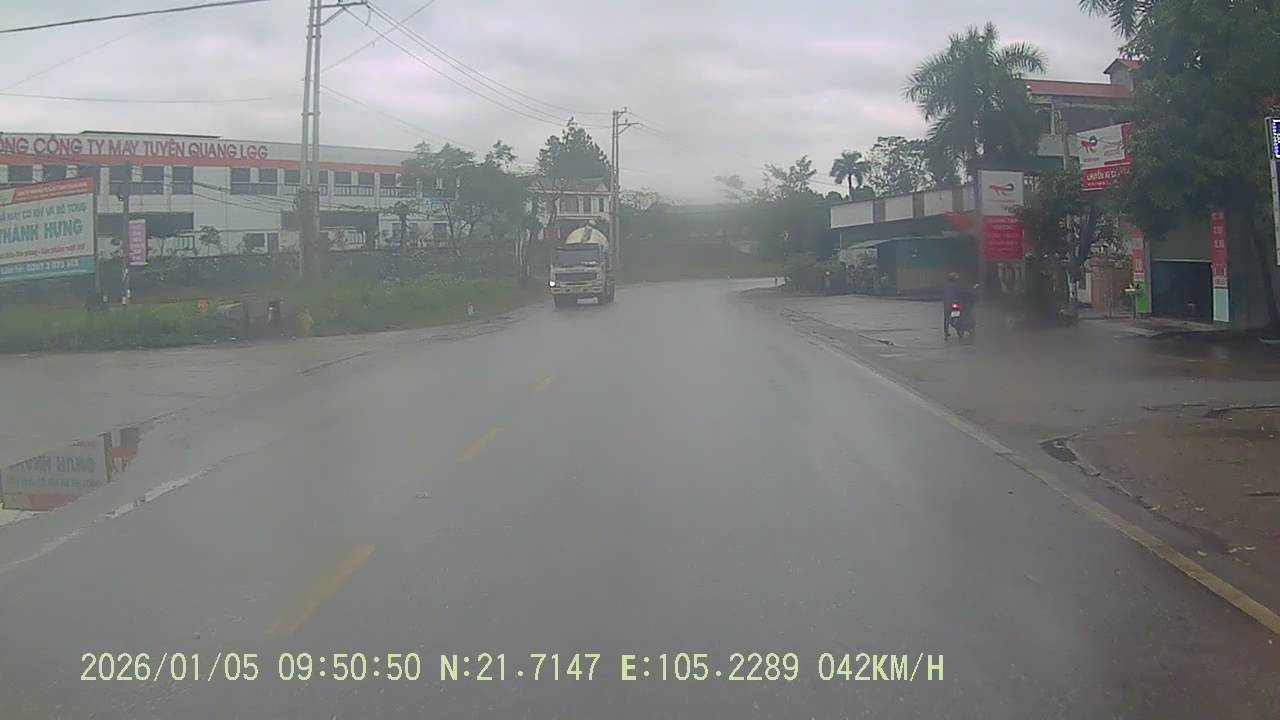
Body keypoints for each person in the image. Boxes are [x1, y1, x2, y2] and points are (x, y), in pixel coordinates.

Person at [942, 272, 966, 338]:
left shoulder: (946, 285)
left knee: (946, 318)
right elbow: (961, 293)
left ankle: (946, 332)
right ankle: (959, 329)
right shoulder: (957, 285)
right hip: (955, 304)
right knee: (959, 316)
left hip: (947, 305)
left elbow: (944, 295)